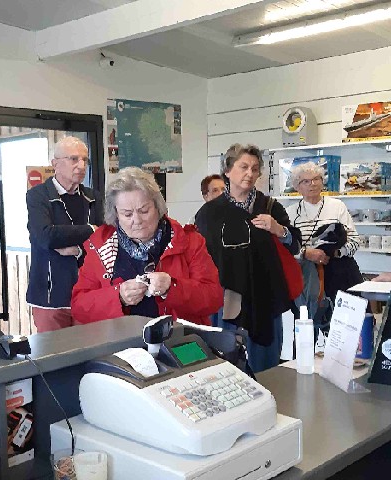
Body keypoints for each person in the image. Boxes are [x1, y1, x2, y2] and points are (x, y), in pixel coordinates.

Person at [195, 144, 301, 373]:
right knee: (226, 369)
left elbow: (296, 245)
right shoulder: (209, 213)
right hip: (226, 303)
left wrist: (278, 229)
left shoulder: (270, 207)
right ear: (228, 170)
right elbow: (200, 258)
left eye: (255, 168)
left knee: (266, 370)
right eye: (243, 167)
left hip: (265, 300)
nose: (250, 174)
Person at [71, 167, 223, 325]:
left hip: (180, 341)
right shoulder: (102, 248)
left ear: (158, 208)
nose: (136, 220)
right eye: (127, 214)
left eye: (144, 211)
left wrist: (173, 287)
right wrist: (118, 297)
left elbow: (214, 298)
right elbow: (79, 307)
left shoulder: (189, 242)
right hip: (123, 345)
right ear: (115, 215)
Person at [26, 136, 103, 332]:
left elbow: (105, 239)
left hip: (87, 293)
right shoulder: (38, 195)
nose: (81, 165)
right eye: (74, 159)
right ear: (55, 164)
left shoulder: (93, 197)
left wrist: (78, 250)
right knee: (53, 357)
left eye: (85, 160)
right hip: (50, 294)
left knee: (88, 354)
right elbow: (46, 236)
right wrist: (90, 229)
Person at [286, 162, 362, 322]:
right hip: (306, 274)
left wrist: (335, 252)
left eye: (316, 179)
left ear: (322, 182)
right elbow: (286, 250)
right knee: (308, 324)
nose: (312, 184)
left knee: (346, 324)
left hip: (340, 271)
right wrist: (306, 253)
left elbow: (355, 241)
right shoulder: (290, 213)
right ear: (297, 187)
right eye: (305, 181)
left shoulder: (337, 206)